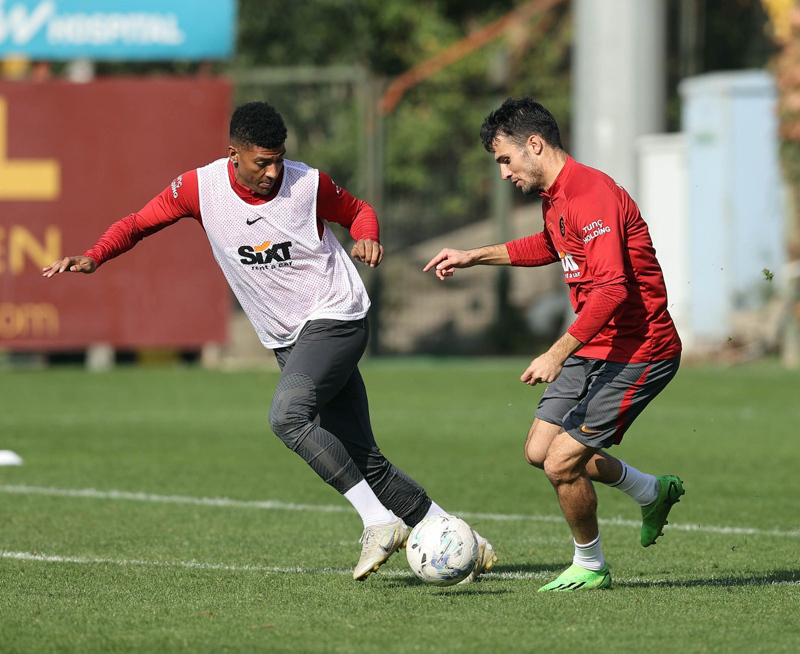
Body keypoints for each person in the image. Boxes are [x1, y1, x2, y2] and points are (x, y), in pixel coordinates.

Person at [44, 101, 496, 582]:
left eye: (279, 158)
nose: (273, 170)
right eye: (262, 161)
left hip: (335, 318)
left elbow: (359, 211)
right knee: (365, 459)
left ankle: (378, 522)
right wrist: (94, 256)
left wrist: (368, 236)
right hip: (289, 339)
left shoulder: (308, 183)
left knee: (287, 417)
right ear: (233, 154)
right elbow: (137, 224)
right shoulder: (200, 188)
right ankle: (462, 539)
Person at [424, 97, 685, 591]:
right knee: (540, 450)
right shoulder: (557, 197)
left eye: (505, 159)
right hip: (597, 344)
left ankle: (591, 565)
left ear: (535, 145)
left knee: (562, 461)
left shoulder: (591, 194)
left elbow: (612, 289)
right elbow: (549, 245)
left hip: (640, 348)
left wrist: (555, 351)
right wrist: (473, 255)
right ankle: (652, 491)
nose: (503, 173)